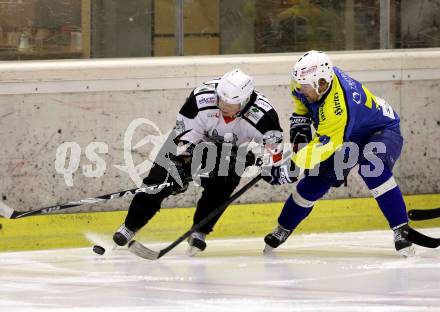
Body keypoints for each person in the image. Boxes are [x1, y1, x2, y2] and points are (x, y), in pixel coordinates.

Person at [113, 69, 284, 255]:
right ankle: (131, 225)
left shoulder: (264, 117)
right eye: (220, 98)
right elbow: (182, 137)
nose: (223, 105)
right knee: (159, 178)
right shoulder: (199, 99)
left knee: (224, 182)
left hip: (231, 152)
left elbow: (274, 152)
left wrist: (264, 162)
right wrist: (181, 164)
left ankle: (200, 231)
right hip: (196, 141)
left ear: (244, 102)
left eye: (230, 102)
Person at [262, 50, 415, 257]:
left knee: (372, 168)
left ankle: (401, 228)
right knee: (316, 179)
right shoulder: (304, 81)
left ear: (322, 83)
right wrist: (300, 134)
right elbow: (301, 108)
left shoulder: (339, 107)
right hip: (346, 134)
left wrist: (290, 167)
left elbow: (323, 146)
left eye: (305, 87)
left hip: (380, 130)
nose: (300, 89)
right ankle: (283, 228)